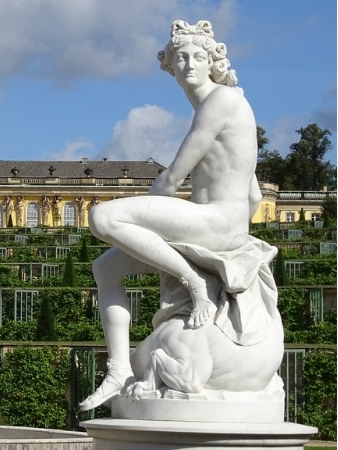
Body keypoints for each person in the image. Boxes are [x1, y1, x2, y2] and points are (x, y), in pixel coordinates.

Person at [79, 20, 259, 411]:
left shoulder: (221, 102)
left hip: (214, 222)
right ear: (169, 66)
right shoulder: (229, 104)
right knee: (106, 269)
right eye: (180, 58)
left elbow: (172, 177)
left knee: (104, 218)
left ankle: (195, 284)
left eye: (198, 57)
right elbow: (255, 194)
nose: (189, 64)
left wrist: (148, 224)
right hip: (217, 222)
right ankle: (119, 371)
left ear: (213, 61)